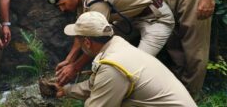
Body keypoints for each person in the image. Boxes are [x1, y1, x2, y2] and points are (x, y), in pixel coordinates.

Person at [46, 0, 174, 85]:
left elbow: (97, 40)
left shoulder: (96, 1)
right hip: (132, 18)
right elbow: (81, 30)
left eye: (62, 4)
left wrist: (75, 67)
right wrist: (69, 59)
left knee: (135, 67)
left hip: (156, 18)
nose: (62, 9)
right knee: (106, 48)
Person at [55, 11, 196, 107]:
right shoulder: (118, 47)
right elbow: (96, 84)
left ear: (87, 42)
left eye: (78, 41)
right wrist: (66, 90)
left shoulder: (112, 67)